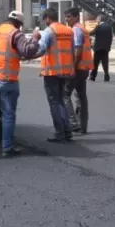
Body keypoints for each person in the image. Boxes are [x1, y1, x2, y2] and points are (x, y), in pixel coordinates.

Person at [0, 11, 41, 157]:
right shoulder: (15, 34)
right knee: (8, 114)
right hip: (5, 78)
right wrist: (35, 39)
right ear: (18, 23)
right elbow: (28, 51)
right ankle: (7, 148)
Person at [36, 8, 75, 142]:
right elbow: (72, 51)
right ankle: (67, 131)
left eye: (44, 19)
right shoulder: (68, 30)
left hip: (52, 71)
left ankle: (60, 132)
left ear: (47, 18)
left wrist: (26, 54)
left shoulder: (49, 31)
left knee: (54, 102)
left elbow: (40, 49)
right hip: (65, 70)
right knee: (61, 101)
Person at [63, 7, 91, 135]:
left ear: (75, 17)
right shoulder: (83, 29)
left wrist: (72, 67)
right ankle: (82, 126)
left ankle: (73, 123)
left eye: (69, 16)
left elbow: (77, 50)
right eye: (66, 16)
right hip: (84, 68)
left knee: (65, 94)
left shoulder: (76, 30)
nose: (66, 19)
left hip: (78, 68)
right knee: (81, 96)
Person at [90, 15, 113, 82]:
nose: (97, 20)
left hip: (98, 48)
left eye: (97, 19)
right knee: (105, 62)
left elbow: (91, 33)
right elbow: (110, 38)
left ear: (100, 19)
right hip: (105, 48)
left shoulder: (98, 27)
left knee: (95, 63)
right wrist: (108, 47)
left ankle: (93, 76)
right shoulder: (109, 27)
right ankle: (106, 76)